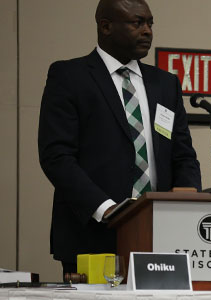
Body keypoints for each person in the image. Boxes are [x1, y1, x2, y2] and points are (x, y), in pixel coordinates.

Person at [38, 0, 201, 276]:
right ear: (106, 26)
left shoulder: (165, 84)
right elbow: (57, 157)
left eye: (150, 23)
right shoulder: (69, 76)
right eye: (137, 23)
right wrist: (108, 210)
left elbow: (183, 155)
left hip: (160, 236)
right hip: (93, 233)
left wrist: (186, 206)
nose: (147, 31)